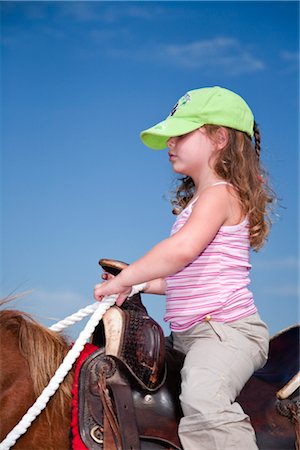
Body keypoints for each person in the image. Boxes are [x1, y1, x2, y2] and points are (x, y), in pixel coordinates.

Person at [94, 86, 276, 450]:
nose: (170, 143)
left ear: (220, 138)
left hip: (227, 333)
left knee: (204, 399)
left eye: (181, 134)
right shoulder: (200, 203)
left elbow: (180, 252)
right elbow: (184, 276)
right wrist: (140, 286)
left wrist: (128, 277)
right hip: (190, 336)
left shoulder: (221, 195)